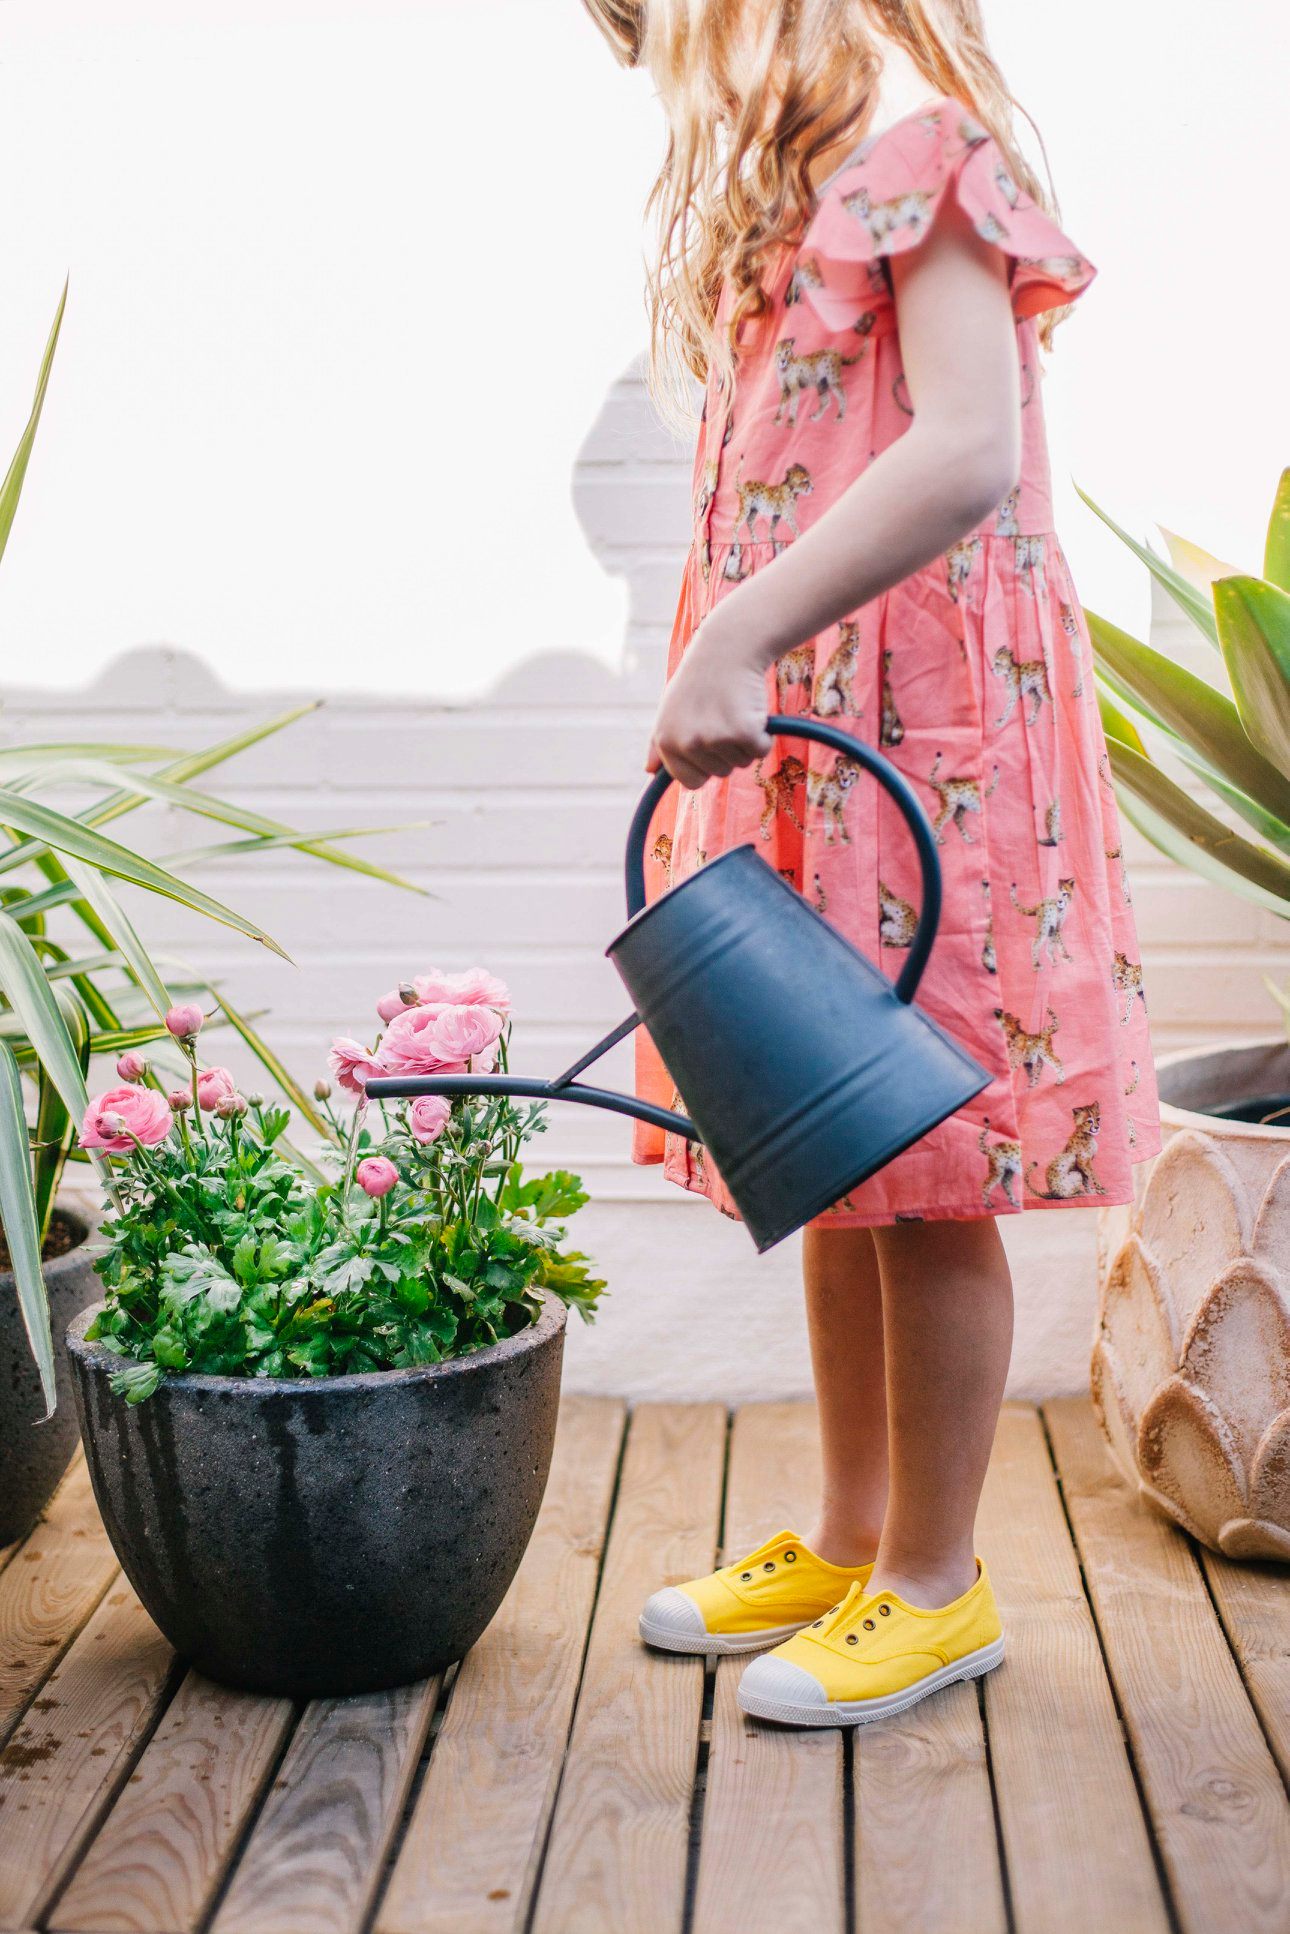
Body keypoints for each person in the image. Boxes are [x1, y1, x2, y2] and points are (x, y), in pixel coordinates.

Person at [582, 0, 1160, 1727]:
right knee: (829, 1140)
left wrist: (742, 631)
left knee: (926, 1157)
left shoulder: (919, 145)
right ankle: (849, 1537)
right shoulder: (808, 174)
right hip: (832, 737)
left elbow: (968, 443)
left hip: (930, 740)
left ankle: (936, 1582)